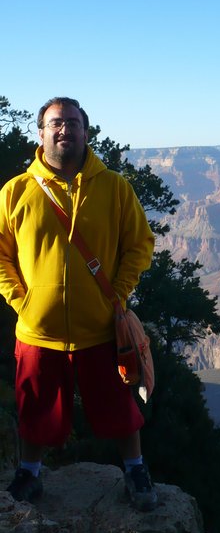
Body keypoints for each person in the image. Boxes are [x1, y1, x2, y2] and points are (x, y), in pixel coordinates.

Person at [0, 97, 157, 511]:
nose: (64, 129)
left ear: (86, 132)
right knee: (34, 404)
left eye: (73, 122)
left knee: (120, 404)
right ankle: (29, 473)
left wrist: (119, 294)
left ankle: (136, 469)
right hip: (38, 329)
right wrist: (22, 301)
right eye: (56, 123)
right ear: (41, 133)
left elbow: (139, 245)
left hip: (101, 328)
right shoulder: (15, 192)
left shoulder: (114, 187)